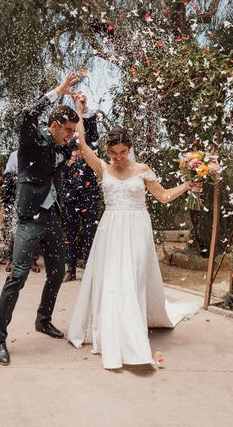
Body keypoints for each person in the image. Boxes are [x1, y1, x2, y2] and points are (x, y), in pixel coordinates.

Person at [66, 93, 202, 370]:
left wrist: (187, 186)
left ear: (129, 149)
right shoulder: (101, 167)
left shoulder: (143, 170)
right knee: (114, 279)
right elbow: (80, 141)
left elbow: (163, 196)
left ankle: (131, 328)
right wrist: (81, 111)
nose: (117, 158)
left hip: (138, 228)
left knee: (132, 278)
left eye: (122, 152)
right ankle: (114, 330)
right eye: (113, 153)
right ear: (108, 150)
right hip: (111, 228)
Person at [0, 72, 81, 366]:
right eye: (67, 130)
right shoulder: (32, 139)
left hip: (53, 216)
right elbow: (28, 113)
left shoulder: (63, 145)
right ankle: (0, 339)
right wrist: (59, 90)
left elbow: (85, 139)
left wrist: (84, 109)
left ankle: (43, 319)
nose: (70, 135)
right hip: (30, 217)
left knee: (57, 273)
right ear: (54, 125)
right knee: (17, 276)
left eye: (72, 131)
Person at [61, 146, 101, 282]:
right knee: (71, 237)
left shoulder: (92, 151)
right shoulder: (66, 153)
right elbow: (61, 173)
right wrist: (69, 162)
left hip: (89, 200)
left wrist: (86, 155)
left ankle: (89, 271)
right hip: (71, 201)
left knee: (90, 235)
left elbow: (98, 170)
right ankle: (70, 270)